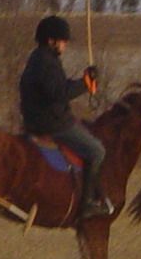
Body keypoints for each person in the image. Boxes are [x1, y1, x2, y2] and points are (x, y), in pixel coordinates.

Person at [19, 15, 110, 219]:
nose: (65, 45)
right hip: (52, 123)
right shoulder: (45, 62)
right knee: (97, 150)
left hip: (43, 119)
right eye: (63, 41)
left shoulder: (42, 58)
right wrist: (85, 83)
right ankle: (87, 204)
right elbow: (59, 93)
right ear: (51, 41)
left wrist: (83, 82)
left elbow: (59, 87)